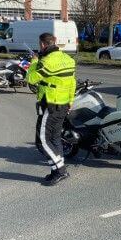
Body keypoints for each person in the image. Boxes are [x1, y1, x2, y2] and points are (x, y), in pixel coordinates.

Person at [27, 33, 77, 185]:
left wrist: (34, 61)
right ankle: (56, 171)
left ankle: (61, 170)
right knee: (55, 139)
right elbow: (72, 82)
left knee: (42, 141)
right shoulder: (68, 59)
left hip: (50, 104)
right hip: (63, 104)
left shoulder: (46, 62)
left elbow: (30, 79)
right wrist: (70, 101)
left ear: (43, 44)